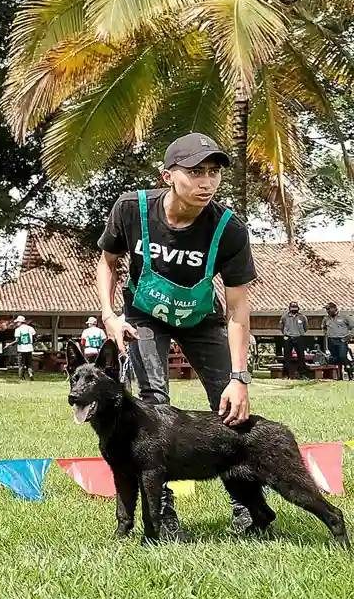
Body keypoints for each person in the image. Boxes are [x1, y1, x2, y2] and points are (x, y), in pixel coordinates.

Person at [96, 132, 257, 538]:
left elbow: (238, 308)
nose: (207, 182)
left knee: (232, 410)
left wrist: (240, 378)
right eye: (195, 172)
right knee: (152, 406)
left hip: (202, 320)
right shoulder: (132, 209)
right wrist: (110, 315)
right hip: (145, 316)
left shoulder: (229, 229)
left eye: (214, 173)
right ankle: (161, 512)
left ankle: (247, 506)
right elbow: (107, 261)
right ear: (168, 175)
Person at [323, 302, 352, 380]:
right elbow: (324, 328)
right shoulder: (326, 318)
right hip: (331, 340)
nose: (327, 311)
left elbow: (352, 327)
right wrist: (327, 335)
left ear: (334, 309)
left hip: (342, 340)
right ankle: (339, 377)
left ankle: (350, 374)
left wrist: (348, 337)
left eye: (329, 309)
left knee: (342, 356)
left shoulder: (344, 317)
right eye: (326, 309)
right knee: (335, 358)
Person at [280, 302, 308, 379]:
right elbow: (281, 327)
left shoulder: (302, 317)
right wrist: (287, 334)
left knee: (301, 357)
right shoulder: (284, 317)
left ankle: (302, 374)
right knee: (286, 357)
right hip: (288, 337)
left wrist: (299, 333)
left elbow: (305, 327)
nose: (294, 309)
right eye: (292, 307)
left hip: (299, 337)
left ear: (298, 308)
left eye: (295, 307)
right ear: (289, 308)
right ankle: (286, 375)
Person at [8, 315, 37, 379]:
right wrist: (33, 342)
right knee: (29, 363)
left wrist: (10, 344)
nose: (16, 323)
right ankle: (30, 373)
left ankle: (21, 377)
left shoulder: (18, 330)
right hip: (29, 348)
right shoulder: (30, 328)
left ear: (20, 322)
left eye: (17, 322)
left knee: (21, 364)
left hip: (21, 349)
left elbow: (17, 340)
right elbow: (35, 336)